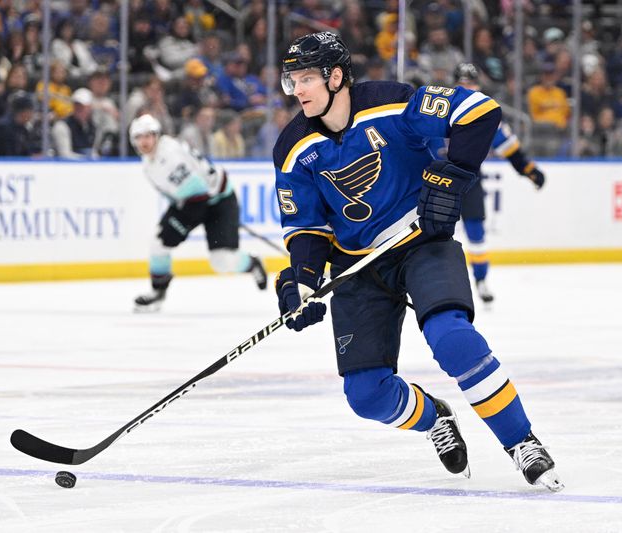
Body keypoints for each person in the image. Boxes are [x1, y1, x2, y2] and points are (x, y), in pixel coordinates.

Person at [272, 32, 563, 492]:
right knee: (366, 395)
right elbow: (306, 227)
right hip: (356, 267)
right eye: (293, 80)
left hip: (420, 242)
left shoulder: (392, 102)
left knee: (452, 336)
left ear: (336, 76)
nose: (298, 90)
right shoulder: (292, 147)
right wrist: (301, 283)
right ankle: (435, 418)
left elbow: (479, 112)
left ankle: (520, 441)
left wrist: (452, 179)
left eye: (307, 78)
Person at [129, 114, 268, 310]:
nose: (144, 141)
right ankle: (158, 291)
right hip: (192, 200)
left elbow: (199, 196)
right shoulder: (150, 161)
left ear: (157, 135)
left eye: (148, 135)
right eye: (139, 137)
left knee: (222, 261)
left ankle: (252, 263)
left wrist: (180, 229)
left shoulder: (169, 158)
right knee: (158, 242)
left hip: (218, 202)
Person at [447, 63, 546, 303]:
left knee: (476, 232)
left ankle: (481, 281)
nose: (467, 88)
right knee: (432, 236)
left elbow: (508, 147)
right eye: (462, 83)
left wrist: (528, 169)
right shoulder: (439, 110)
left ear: (478, 86)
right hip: (438, 181)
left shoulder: (484, 115)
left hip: (469, 180)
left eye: (470, 83)